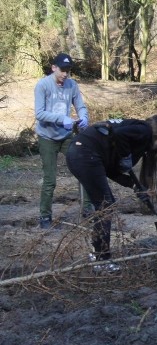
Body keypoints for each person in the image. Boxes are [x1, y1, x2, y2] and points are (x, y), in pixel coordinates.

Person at [65, 115, 157, 272]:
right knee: (105, 206)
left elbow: (111, 170)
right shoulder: (144, 130)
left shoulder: (128, 137)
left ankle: (98, 254)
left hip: (81, 154)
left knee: (104, 206)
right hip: (85, 154)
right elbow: (119, 136)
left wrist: (134, 185)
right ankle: (102, 259)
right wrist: (126, 155)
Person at [34, 53, 91, 229]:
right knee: (50, 179)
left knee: (83, 169)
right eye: (62, 70)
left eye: (68, 71)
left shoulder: (72, 85)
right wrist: (61, 119)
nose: (65, 74)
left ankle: (88, 209)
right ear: (53, 68)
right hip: (47, 137)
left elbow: (80, 105)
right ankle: (45, 216)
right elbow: (39, 113)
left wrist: (83, 117)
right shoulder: (43, 85)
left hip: (66, 135)